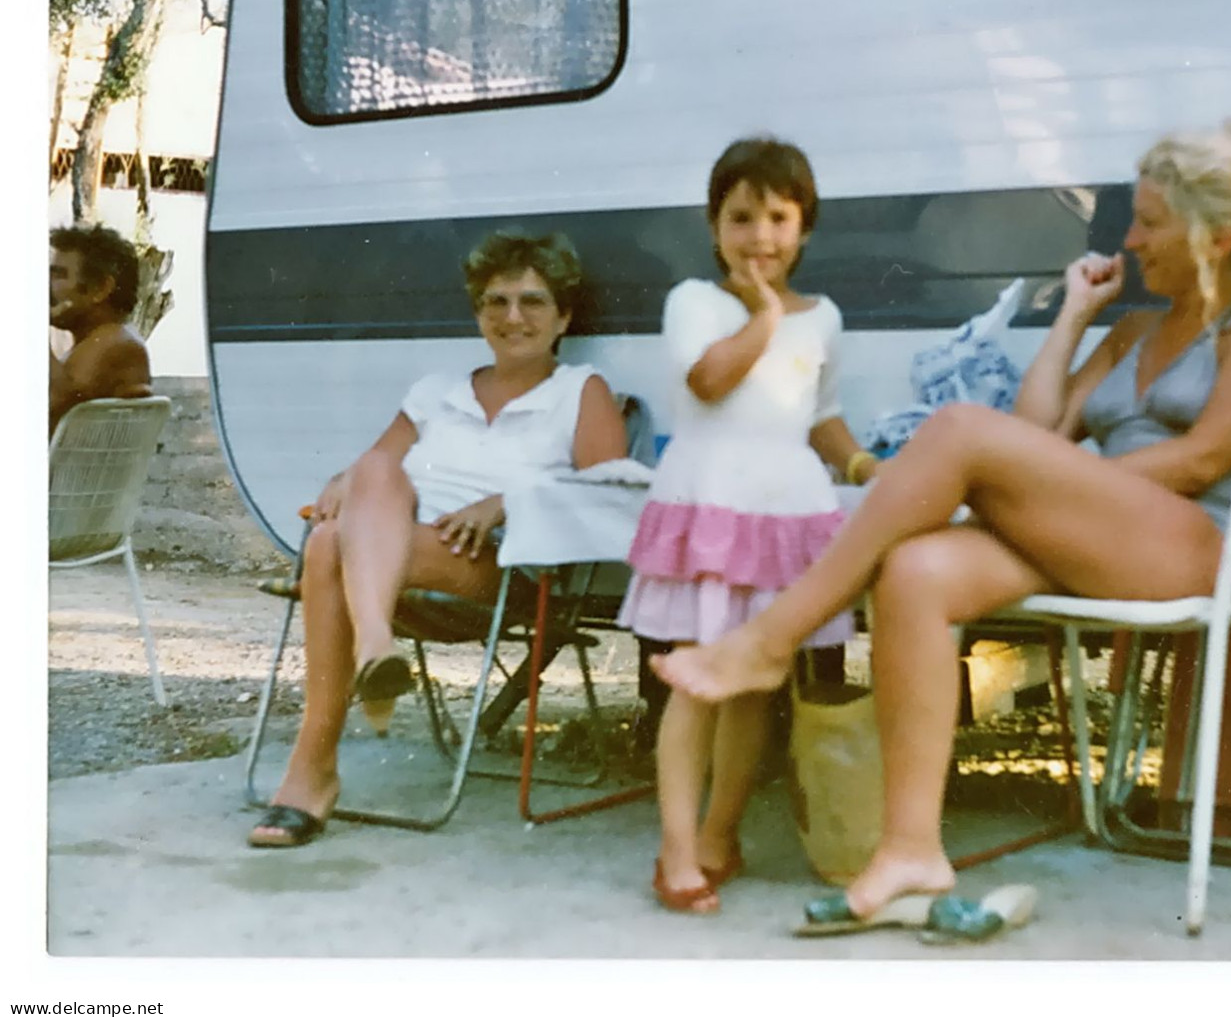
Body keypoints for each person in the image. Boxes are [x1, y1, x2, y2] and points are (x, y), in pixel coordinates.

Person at [652, 117, 1231, 925]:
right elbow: (1038, 435)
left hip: (1206, 544)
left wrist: (1054, 485)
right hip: (1104, 534)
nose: (1130, 239)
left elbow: (1201, 461)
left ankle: (771, 636)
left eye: (1149, 221)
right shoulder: (1133, 327)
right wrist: (1073, 314)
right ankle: (910, 848)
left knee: (960, 430)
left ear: (1218, 237)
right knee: (917, 568)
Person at [248, 231, 629, 847]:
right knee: (361, 486)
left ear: (563, 316)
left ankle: (312, 771)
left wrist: (507, 501)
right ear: (478, 313)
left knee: (329, 546)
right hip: (396, 560)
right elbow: (361, 479)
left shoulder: (580, 390)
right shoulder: (433, 393)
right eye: (495, 302)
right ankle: (375, 643)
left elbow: (607, 490)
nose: (512, 317)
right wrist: (336, 485)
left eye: (532, 301)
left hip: (497, 569)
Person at [619, 136, 879, 914]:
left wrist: (865, 467)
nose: (759, 235)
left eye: (777, 216)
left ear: (804, 227)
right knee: (697, 681)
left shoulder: (825, 317)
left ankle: (719, 834)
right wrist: (765, 312)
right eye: (740, 217)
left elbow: (820, 413)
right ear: (713, 226)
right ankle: (674, 847)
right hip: (711, 502)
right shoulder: (695, 302)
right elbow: (709, 376)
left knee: (750, 688)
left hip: (787, 511)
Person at [49, 224, 153, 434]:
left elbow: (50, 405)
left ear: (101, 289)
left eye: (58, 275)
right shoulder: (108, 339)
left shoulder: (114, 341)